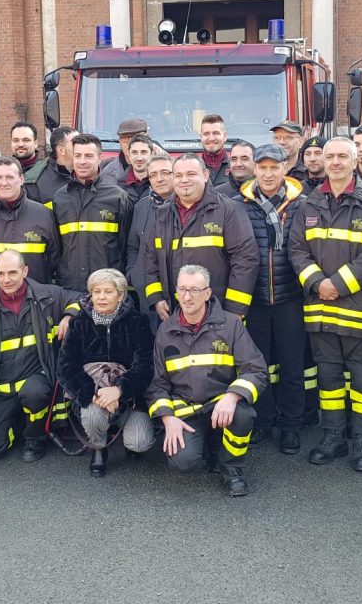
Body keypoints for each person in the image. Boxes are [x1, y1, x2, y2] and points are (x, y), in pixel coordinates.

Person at [288, 138, 362, 471]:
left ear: (356, 159)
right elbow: (296, 250)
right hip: (320, 308)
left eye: (343, 155)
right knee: (328, 377)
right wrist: (318, 283)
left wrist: (337, 285)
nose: (335, 161)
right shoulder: (308, 204)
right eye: (330, 156)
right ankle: (333, 436)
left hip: (359, 308)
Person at [147, 264, 269, 496]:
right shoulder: (165, 330)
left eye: (194, 290)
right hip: (186, 411)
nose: (187, 296)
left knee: (243, 415)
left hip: (221, 405)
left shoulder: (231, 324)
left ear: (207, 293)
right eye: (182, 289)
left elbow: (256, 369)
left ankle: (231, 466)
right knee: (184, 463)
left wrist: (232, 397)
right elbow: (157, 383)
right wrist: (167, 418)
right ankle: (209, 447)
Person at [0, 250, 79, 462]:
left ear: (25, 271)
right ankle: (18, 422)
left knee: (34, 394)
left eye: (12, 272)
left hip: (34, 380)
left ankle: (35, 436)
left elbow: (83, 298)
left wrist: (68, 315)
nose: (6, 279)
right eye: (0, 274)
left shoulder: (47, 296)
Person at [241, 144, 309, 453]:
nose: (268, 173)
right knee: (259, 366)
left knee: (293, 366)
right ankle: (263, 421)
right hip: (254, 299)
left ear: (285, 168)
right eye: (263, 167)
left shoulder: (302, 204)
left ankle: (291, 425)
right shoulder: (238, 204)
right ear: (255, 169)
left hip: (290, 297)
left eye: (274, 167)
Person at [57, 268, 156, 477]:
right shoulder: (78, 323)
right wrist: (93, 395)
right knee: (93, 415)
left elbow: (145, 365)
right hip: (93, 396)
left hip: (129, 399)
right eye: (96, 291)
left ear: (120, 295)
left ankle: (124, 432)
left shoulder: (138, 322)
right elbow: (67, 366)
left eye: (108, 291)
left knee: (139, 443)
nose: (101, 297)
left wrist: (120, 390)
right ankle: (98, 447)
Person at [141, 153, 258, 321]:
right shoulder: (161, 214)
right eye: (179, 175)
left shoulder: (229, 211)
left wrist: (235, 309)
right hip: (174, 313)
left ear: (205, 175)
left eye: (191, 174)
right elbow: (150, 260)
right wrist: (156, 299)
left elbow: (245, 261)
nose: (184, 180)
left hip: (218, 312)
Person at [52, 134, 133, 291]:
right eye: (78, 156)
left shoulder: (118, 197)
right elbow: (56, 247)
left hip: (108, 288)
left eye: (89, 156)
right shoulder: (59, 198)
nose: (82, 161)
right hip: (70, 288)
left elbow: (126, 246)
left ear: (99, 158)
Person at [0, 156, 61, 287]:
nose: (4, 183)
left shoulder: (43, 214)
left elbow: (55, 257)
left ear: (21, 179)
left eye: (9, 177)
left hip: (36, 299)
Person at [126, 154, 174, 321]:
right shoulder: (141, 207)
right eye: (153, 175)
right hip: (146, 292)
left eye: (165, 173)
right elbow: (132, 246)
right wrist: (134, 274)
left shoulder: (187, 207)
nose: (159, 179)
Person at [29, 126, 76, 204]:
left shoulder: (90, 171)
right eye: (76, 143)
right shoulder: (36, 181)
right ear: (61, 150)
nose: (81, 146)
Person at [99, 118, 149, 185]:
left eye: (135, 138)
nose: (129, 143)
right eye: (124, 138)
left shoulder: (161, 167)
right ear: (119, 140)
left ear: (147, 138)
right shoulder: (108, 172)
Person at [199, 114, 230, 184]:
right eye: (206, 134)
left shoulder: (236, 166)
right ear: (201, 137)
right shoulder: (193, 168)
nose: (211, 139)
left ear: (225, 136)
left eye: (216, 133)